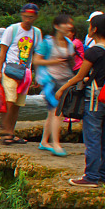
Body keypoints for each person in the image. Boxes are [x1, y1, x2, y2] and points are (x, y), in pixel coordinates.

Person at [58, 13, 105, 186]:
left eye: (90, 26)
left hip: (94, 101)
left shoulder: (93, 51)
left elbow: (79, 76)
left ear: (95, 29)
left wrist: (62, 89)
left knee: (92, 140)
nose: (88, 28)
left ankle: (91, 177)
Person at [0, 3, 42, 144]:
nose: (28, 19)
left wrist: (37, 74)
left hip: (25, 72)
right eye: (26, 16)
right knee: (9, 101)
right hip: (9, 70)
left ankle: (10, 132)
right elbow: (2, 52)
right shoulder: (12, 29)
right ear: (22, 15)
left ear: (36, 17)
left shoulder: (36, 33)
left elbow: (36, 55)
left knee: (17, 104)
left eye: (31, 17)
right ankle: (6, 132)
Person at [34, 14, 75, 157]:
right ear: (57, 26)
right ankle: (56, 144)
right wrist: (55, 62)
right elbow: (36, 61)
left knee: (52, 112)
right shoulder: (47, 43)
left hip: (65, 80)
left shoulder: (69, 43)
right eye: (66, 23)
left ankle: (44, 142)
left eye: (70, 23)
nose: (69, 26)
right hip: (49, 81)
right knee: (57, 111)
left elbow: (71, 63)